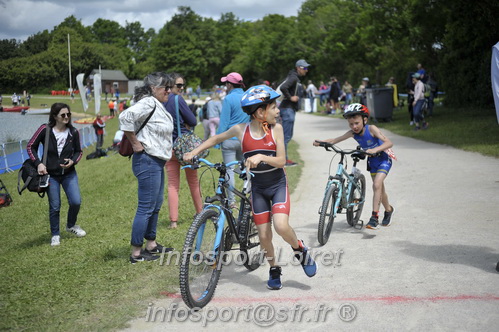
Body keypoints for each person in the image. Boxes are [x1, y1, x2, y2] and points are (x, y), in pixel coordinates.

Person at [184, 85, 317, 290]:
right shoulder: (241, 130)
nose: (277, 111)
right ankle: (274, 268)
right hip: (258, 189)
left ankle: (300, 249)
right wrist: (194, 151)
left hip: (277, 185)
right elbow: (216, 138)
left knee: (281, 226)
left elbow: (281, 161)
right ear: (260, 112)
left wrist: (262, 156)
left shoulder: (277, 130)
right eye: (273, 107)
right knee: (264, 235)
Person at [119, 72, 174, 263]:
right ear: (153, 88)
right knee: (146, 206)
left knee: (156, 204)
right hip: (147, 160)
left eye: (170, 87)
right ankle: (136, 251)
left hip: (156, 161)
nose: (169, 91)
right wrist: (135, 143)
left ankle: (151, 243)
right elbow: (125, 117)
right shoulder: (148, 102)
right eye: (165, 87)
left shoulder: (156, 104)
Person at [313, 103, 394, 230]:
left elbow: (389, 142)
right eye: (351, 124)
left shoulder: (372, 129)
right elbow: (335, 140)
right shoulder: (352, 133)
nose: (354, 127)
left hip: (383, 158)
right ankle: (388, 210)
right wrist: (321, 142)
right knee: (380, 189)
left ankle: (374, 218)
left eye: (357, 123)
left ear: (364, 119)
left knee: (376, 185)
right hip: (372, 161)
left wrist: (376, 149)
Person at [27, 102, 85, 246]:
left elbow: (79, 151)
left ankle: (71, 225)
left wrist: (73, 161)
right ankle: (55, 234)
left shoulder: (73, 132)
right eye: (63, 115)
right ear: (55, 116)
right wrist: (39, 163)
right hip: (50, 175)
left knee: (76, 201)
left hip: (69, 173)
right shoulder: (44, 129)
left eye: (68, 114)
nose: (67, 117)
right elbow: (30, 146)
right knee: (55, 206)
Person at [163, 73, 203, 229]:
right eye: (178, 85)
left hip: (169, 147)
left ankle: (173, 221)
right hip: (185, 147)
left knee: (173, 185)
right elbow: (193, 120)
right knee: (193, 181)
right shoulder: (177, 99)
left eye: (182, 85)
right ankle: (200, 212)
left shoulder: (162, 101)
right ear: (171, 85)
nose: (181, 88)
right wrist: (186, 123)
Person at [217, 72, 249, 206]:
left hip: (229, 140)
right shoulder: (247, 96)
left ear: (230, 84)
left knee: (230, 170)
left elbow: (224, 122)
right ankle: (249, 198)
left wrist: (217, 141)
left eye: (226, 83)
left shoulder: (228, 99)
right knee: (247, 169)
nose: (225, 86)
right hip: (245, 139)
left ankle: (231, 202)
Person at [279, 59, 310, 166]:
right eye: (304, 68)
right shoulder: (293, 77)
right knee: (285, 137)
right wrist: (290, 97)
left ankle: (283, 159)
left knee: (286, 136)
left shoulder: (294, 77)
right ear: (298, 68)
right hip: (287, 109)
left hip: (288, 109)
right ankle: (283, 160)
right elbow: (283, 87)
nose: (306, 70)